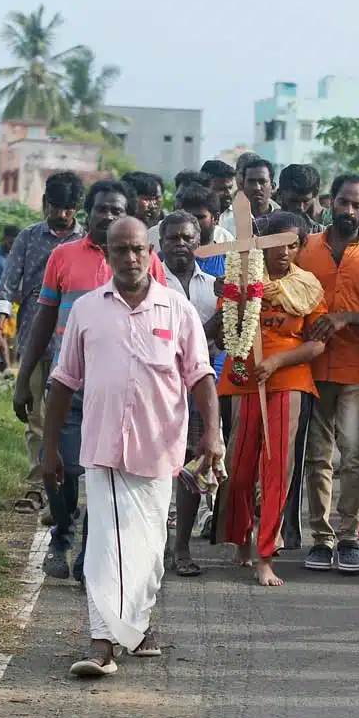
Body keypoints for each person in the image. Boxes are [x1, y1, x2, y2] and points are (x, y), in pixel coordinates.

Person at [43, 217, 222, 677]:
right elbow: (63, 382)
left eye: (138, 249)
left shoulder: (176, 309)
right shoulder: (87, 310)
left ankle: (136, 629)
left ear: (151, 251)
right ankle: (102, 644)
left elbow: (201, 375)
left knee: (148, 550)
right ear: (106, 254)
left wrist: (213, 432)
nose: (130, 258)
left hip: (159, 448)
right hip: (102, 448)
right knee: (107, 546)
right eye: (119, 250)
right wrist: (49, 448)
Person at [14, 179, 168, 581]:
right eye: (102, 209)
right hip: (68, 384)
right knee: (57, 465)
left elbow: (164, 319)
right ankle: (62, 534)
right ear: (89, 212)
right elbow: (43, 319)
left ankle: (89, 552)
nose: (108, 217)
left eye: (117, 211)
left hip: (120, 389)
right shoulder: (62, 256)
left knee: (101, 474)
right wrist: (23, 377)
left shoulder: (145, 262)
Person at [213, 212, 327, 587]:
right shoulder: (241, 276)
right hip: (243, 377)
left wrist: (278, 360)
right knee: (240, 467)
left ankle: (266, 555)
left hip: (288, 378)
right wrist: (230, 293)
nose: (283, 251)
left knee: (277, 467)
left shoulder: (308, 285)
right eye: (275, 244)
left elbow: (317, 343)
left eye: (292, 245)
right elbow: (220, 329)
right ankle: (241, 537)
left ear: (300, 247)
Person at [297, 173, 359, 574]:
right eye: (344, 203)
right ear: (330, 202)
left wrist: (353, 318)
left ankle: (349, 537)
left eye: (358, 205)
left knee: (354, 455)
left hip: (358, 369)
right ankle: (321, 539)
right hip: (314, 367)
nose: (351, 211)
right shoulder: (306, 249)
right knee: (318, 455)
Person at [0, 172, 86, 500]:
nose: (62, 216)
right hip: (35, 338)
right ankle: (37, 485)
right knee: (36, 416)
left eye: (69, 209)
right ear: (46, 204)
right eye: (57, 207)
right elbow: (7, 284)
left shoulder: (86, 242)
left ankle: (69, 478)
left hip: (76, 344)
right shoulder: (28, 239)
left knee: (72, 416)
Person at [159, 212, 220, 577]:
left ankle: (181, 547)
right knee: (155, 468)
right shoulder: (151, 283)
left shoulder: (215, 287)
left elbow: (222, 338)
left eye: (187, 238)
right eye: (173, 238)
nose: (180, 244)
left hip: (198, 388)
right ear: (161, 243)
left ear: (199, 241)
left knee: (192, 469)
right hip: (162, 388)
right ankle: (156, 547)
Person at [151, 182, 233, 261]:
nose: (193, 223)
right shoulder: (162, 260)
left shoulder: (229, 260)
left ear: (216, 218)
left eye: (199, 217)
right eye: (188, 217)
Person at [219, 156, 279, 234]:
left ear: (273, 187)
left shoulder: (284, 222)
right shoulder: (226, 224)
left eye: (262, 181)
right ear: (242, 185)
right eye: (251, 182)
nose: (257, 188)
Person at [278, 163, 324, 232]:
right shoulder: (265, 226)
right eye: (293, 201)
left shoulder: (327, 229)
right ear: (280, 193)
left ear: (315, 195)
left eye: (305, 201)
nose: (300, 208)